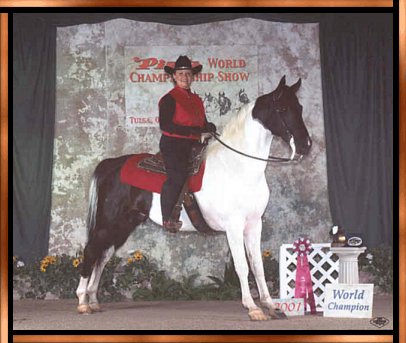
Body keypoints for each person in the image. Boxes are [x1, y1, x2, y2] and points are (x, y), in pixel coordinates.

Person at [159, 55, 216, 232]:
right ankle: (168, 217)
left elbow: (202, 122)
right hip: (174, 146)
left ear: (193, 76)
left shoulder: (197, 100)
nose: (185, 77)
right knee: (177, 177)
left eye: (188, 74)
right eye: (181, 74)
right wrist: (194, 133)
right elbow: (166, 125)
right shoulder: (168, 99)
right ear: (174, 76)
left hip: (194, 146)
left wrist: (210, 127)